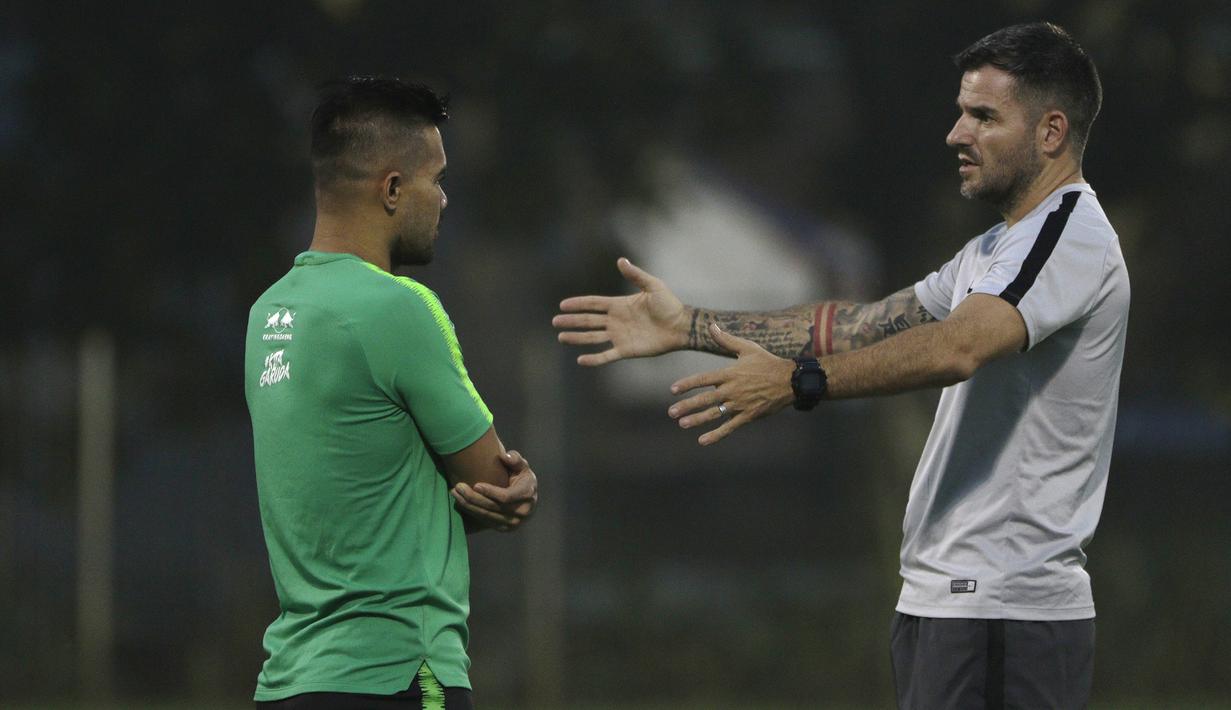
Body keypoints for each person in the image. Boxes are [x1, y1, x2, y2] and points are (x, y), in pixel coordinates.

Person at [554, 22, 1126, 709]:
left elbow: (956, 348)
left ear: (1051, 132)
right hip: (950, 604)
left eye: (982, 116)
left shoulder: (1068, 235)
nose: (955, 134)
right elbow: (859, 324)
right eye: (958, 112)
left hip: (1008, 610)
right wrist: (689, 326)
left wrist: (801, 384)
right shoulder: (994, 251)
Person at [245, 76, 538, 710]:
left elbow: (353, 485)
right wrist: (520, 491)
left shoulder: (268, 314)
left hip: (290, 683)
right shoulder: (399, 309)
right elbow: (492, 481)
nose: (444, 199)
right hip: (399, 673)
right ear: (394, 189)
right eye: (436, 179)